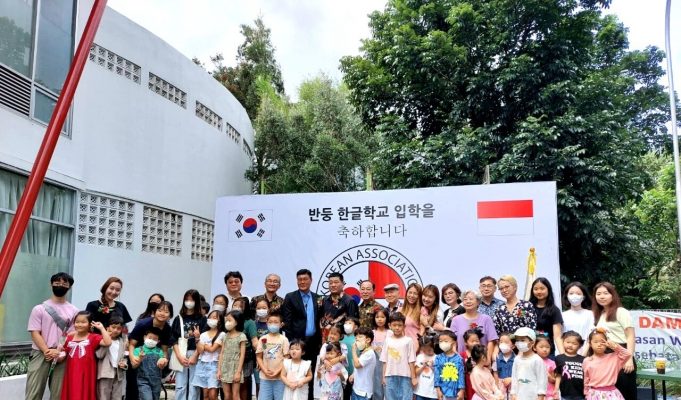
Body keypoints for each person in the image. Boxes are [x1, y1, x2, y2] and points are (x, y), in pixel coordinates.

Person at [25, 272, 79, 400]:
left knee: (58, 394)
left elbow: (73, 334)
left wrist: (60, 351)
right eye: (57, 282)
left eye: (64, 283)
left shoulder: (74, 311)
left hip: (62, 355)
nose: (61, 285)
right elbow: (35, 332)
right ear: (51, 284)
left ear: (70, 287)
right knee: (33, 392)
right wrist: (47, 351)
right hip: (40, 353)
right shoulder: (39, 309)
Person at [282, 268, 322, 400]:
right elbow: (287, 322)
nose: (302, 282)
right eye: (299, 280)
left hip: (313, 343)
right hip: (297, 344)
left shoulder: (318, 298)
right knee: (295, 375)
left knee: (309, 375)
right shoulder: (290, 297)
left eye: (305, 279)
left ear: (311, 280)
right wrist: (293, 343)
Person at [592, 282, 636, 400]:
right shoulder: (600, 314)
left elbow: (630, 336)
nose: (602, 296)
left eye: (605, 293)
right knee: (608, 393)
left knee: (625, 392)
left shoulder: (621, 312)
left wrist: (629, 359)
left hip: (621, 354)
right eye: (598, 294)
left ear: (613, 295)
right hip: (605, 356)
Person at [58, 311, 112, 400]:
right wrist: (58, 354)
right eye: (77, 322)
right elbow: (62, 353)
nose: (79, 325)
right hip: (71, 372)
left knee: (85, 393)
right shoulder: (69, 338)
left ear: (90, 324)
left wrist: (102, 328)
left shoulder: (93, 337)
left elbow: (108, 342)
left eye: (83, 322)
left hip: (87, 373)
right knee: (71, 392)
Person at [127, 300, 173, 400]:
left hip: (155, 364)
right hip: (139, 356)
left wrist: (164, 360)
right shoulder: (143, 324)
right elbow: (131, 344)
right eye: (160, 310)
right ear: (154, 312)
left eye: (166, 312)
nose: (162, 313)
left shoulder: (167, 329)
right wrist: (132, 357)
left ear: (170, 315)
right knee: (134, 390)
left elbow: (164, 350)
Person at [171, 289, 207, 400]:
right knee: (180, 385)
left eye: (192, 300)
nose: (189, 302)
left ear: (197, 302)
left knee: (194, 385)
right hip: (180, 352)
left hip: (196, 353)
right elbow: (173, 339)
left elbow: (204, 339)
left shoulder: (202, 319)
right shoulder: (178, 318)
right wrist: (179, 356)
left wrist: (195, 355)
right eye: (187, 299)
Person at [583, 328, 631, 400]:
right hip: (594, 394)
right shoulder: (587, 361)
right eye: (595, 342)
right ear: (590, 344)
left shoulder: (614, 358)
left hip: (612, 394)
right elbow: (586, 379)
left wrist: (615, 346)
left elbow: (627, 354)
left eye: (602, 342)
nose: (599, 344)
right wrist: (586, 393)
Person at [450, 290, 498, 362]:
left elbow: (491, 341)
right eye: (465, 299)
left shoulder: (486, 319)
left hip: (482, 361)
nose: (468, 301)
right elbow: (452, 341)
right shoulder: (456, 320)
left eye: (471, 299)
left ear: (478, 302)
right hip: (462, 360)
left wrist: (487, 359)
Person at [380, 312, 416, 400]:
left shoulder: (408, 341)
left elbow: (411, 361)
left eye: (400, 325)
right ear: (390, 325)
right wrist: (383, 376)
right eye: (394, 325)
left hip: (405, 376)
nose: (397, 328)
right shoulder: (387, 341)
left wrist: (413, 377)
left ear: (404, 326)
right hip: (389, 375)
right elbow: (384, 360)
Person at [257, 309, 290, 400]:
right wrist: (264, 370)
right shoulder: (263, 339)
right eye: (270, 322)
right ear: (267, 323)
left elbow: (286, 358)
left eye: (276, 322)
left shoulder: (284, 339)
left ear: (281, 324)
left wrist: (278, 371)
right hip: (265, 378)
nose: (273, 324)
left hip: (280, 378)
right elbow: (259, 357)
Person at [193, 309, 226, 400]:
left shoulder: (222, 334)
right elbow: (200, 351)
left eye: (214, 318)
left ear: (220, 320)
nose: (211, 319)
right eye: (210, 317)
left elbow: (212, 349)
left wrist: (204, 345)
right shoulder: (203, 334)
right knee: (205, 395)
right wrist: (197, 338)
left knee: (213, 395)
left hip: (215, 365)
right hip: (202, 364)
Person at [320, 272, 359, 344]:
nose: (333, 285)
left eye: (336, 282)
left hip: (342, 341)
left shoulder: (349, 301)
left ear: (343, 284)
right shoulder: (325, 300)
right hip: (326, 339)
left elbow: (353, 324)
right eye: (330, 283)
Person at [96, 315, 128, 400]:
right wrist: (107, 341)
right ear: (107, 328)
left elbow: (124, 357)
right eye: (113, 327)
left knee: (117, 397)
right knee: (103, 396)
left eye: (119, 328)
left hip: (118, 374)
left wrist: (124, 364)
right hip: (105, 373)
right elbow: (99, 355)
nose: (116, 330)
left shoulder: (122, 342)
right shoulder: (101, 340)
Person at [510, 327, 547, 400]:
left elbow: (542, 380)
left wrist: (541, 396)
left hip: (533, 397)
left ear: (532, 342)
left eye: (522, 340)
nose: (519, 343)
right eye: (517, 340)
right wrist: (513, 393)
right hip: (519, 396)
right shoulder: (517, 359)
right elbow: (514, 377)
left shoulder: (537, 360)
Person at [529, 277, 564, 355]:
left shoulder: (554, 310)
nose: (539, 291)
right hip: (530, 352)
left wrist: (563, 356)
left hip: (547, 352)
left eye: (542, 288)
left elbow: (557, 336)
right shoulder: (527, 308)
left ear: (548, 289)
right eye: (536, 289)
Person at [314, 324, 350, 399]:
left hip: (337, 371)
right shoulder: (325, 345)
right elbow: (322, 356)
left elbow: (344, 356)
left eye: (335, 334)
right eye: (331, 333)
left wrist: (336, 359)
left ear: (340, 336)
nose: (332, 336)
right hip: (326, 370)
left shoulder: (342, 346)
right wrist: (325, 362)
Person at [233, 296, 259, 400]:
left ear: (245, 308)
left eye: (240, 306)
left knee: (243, 384)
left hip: (245, 358)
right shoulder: (228, 321)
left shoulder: (249, 322)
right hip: (230, 357)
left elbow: (255, 341)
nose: (237, 307)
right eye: (235, 305)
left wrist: (260, 357)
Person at [219, 309, 247, 400]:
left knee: (235, 395)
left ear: (237, 321)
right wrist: (219, 370)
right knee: (227, 396)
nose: (227, 322)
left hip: (235, 368)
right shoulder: (225, 336)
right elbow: (222, 353)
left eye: (229, 320)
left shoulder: (241, 336)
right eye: (226, 320)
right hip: (224, 368)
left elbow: (242, 355)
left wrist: (238, 372)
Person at [131, 327, 165, 400]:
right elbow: (134, 366)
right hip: (143, 381)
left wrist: (163, 362)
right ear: (144, 337)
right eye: (150, 338)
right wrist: (140, 358)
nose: (151, 340)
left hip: (156, 381)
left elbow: (161, 367)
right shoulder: (138, 350)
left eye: (155, 339)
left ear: (158, 341)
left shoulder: (159, 351)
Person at [561, 282, 593, 356]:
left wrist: (583, 355)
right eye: (571, 293)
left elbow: (590, 335)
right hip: (566, 355)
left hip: (585, 354)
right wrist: (564, 355)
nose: (574, 296)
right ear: (567, 296)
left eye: (578, 294)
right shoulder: (562, 315)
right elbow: (560, 336)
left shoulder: (590, 314)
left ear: (583, 297)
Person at [435, 329, 466, 400]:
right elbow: (437, 374)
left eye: (446, 341)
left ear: (453, 343)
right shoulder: (438, 358)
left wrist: (461, 390)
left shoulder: (458, 358)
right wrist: (438, 390)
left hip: (456, 393)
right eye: (440, 341)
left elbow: (461, 374)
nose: (442, 343)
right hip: (443, 392)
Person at [555, 331, 586, 400]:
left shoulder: (584, 359)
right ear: (563, 342)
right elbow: (558, 375)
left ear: (580, 346)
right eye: (568, 342)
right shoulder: (559, 358)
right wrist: (556, 389)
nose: (570, 345)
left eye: (574, 343)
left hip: (580, 394)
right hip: (565, 394)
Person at [349, 327, 377, 400]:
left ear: (368, 340)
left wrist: (353, 351)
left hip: (364, 392)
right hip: (356, 389)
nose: (357, 339)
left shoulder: (369, 353)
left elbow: (357, 365)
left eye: (360, 337)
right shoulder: (364, 352)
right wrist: (353, 374)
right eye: (356, 338)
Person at [400, 283, 423, 352]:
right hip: (402, 347)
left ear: (419, 296)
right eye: (410, 292)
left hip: (416, 347)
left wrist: (417, 347)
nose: (412, 295)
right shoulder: (400, 310)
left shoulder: (422, 310)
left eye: (415, 293)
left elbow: (422, 331)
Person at [372, 308, 389, 400]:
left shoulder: (390, 332)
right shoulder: (372, 332)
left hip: (388, 362)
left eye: (382, 317)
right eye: (377, 317)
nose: (380, 319)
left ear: (387, 318)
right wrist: (373, 348)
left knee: (387, 384)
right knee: (376, 384)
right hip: (375, 363)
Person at [414, 335, 438, 400]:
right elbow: (416, 372)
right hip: (420, 391)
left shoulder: (437, 358)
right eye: (425, 350)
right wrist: (423, 366)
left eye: (430, 349)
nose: (428, 351)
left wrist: (432, 367)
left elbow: (439, 374)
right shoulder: (420, 357)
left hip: (433, 393)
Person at [534, 335, 557, 399]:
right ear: (534, 348)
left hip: (549, 394)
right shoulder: (531, 361)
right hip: (535, 394)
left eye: (547, 347)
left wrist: (549, 376)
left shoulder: (552, 363)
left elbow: (555, 381)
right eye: (541, 347)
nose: (544, 349)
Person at [461, 329, 482, 400]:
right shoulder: (462, 356)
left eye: (477, 341)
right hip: (468, 385)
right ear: (465, 342)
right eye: (472, 341)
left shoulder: (482, 355)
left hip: (480, 385)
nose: (475, 343)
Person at [492, 332, 515, 398]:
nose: (503, 344)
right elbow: (495, 373)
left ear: (513, 346)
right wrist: (497, 388)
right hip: (501, 387)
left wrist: (512, 379)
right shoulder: (497, 358)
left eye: (506, 342)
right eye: (501, 342)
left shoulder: (516, 359)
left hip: (513, 385)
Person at [341, 317, 359, 400]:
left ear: (356, 327)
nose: (347, 325)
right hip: (343, 372)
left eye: (350, 323)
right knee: (345, 393)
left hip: (355, 371)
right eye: (345, 323)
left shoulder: (358, 338)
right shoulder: (341, 338)